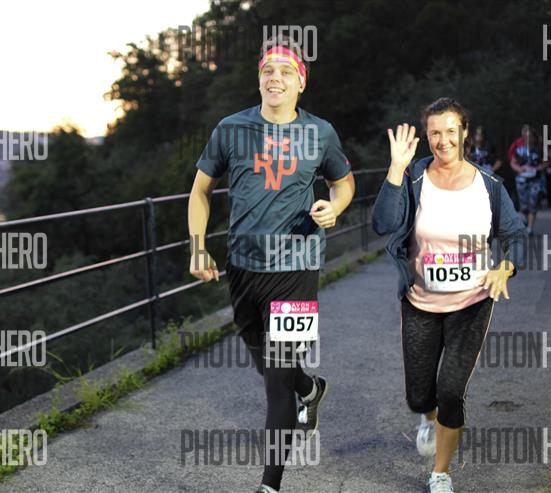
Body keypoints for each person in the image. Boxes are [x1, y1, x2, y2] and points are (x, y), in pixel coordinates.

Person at [187, 36, 355, 493]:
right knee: (267, 364)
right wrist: (198, 246)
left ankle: (269, 485)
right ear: (258, 80)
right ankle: (311, 388)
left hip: (298, 265)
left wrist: (336, 206)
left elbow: (343, 182)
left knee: (276, 382)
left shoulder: (320, 133)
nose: (274, 78)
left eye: (285, 71)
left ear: (301, 82)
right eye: (267, 70)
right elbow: (200, 191)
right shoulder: (231, 129)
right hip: (242, 267)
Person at [372, 98, 526, 493]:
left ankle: (440, 472)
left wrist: (504, 267)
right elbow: (382, 224)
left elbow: (516, 235)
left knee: (451, 391)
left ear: (464, 133)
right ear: (427, 136)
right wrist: (395, 169)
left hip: (472, 303)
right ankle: (427, 417)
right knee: (419, 394)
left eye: (451, 131)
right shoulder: (414, 179)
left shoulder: (489, 185)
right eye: (435, 132)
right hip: (420, 303)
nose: (443, 140)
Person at [509, 125, 548, 235]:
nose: (528, 139)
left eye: (530, 136)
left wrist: (538, 168)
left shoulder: (539, 150)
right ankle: (525, 219)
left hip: (535, 180)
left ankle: (530, 228)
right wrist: (519, 169)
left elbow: (547, 162)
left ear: (534, 138)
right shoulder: (519, 151)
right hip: (522, 180)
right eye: (525, 136)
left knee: (533, 203)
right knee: (524, 205)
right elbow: (513, 163)